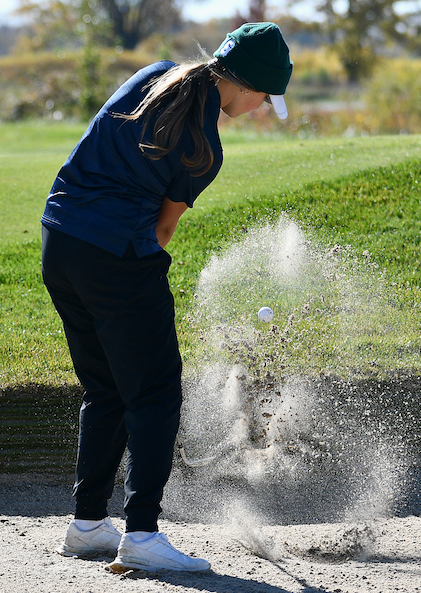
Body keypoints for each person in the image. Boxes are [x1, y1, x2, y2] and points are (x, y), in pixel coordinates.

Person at [42, 22, 293, 573]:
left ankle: (87, 525)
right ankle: (143, 535)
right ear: (250, 87)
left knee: (106, 386)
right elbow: (159, 231)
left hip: (59, 242)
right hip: (115, 257)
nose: (259, 109)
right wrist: (136, 285)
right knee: (154, 393)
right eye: (264, 99)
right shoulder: (205, 146)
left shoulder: (155, 76)